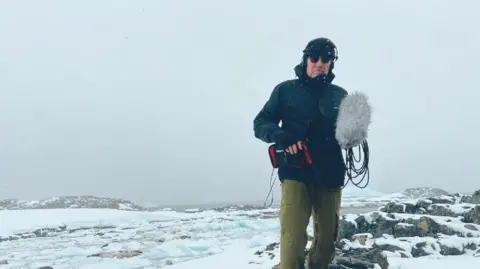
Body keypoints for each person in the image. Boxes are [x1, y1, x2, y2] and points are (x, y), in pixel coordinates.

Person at [253, 37, 349, 269]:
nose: (319, 63)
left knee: (327, 240)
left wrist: (356, 134)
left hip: (330, 174)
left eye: (326, 59)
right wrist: (282, 137)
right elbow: (261, 123)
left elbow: (349, 134)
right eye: (314, 58)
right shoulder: (285, 90)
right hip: (296, 171)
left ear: (331, 63)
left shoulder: (340, 95)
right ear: (305, 60)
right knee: (293, 237)